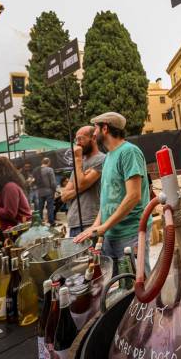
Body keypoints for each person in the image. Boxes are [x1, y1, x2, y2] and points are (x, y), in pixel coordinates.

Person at [73, 112, 151, 274]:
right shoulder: (108, 157)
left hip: (131, 233)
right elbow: (107, 199)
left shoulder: (129, 152)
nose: (94, 134)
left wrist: (105, 226)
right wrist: (96, 226)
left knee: (138, 286)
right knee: (118, 289)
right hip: (111, 234)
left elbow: (134, 196)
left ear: (105, 128)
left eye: (95, 128)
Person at [63, 126, 106, 238]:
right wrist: (84, 183)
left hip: (90, 222)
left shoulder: (101, 159)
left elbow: (80, 183)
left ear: (94, 138)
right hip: (73, 223)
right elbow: (64, 195)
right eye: (76, 140)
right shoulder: (80, 165)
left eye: (81, 138)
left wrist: (77, 159)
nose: (78, 143)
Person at [33, 158, 57, 224]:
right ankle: (51, 221)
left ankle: (39, 222)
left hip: (39, 191)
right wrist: (55, 190)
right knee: (50, 207)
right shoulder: (49, 170)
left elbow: (33, 181)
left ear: (42, 162)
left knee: (40, 207)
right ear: (48, 162)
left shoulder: (36, 170)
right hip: (49, 191)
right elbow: (53, 182)